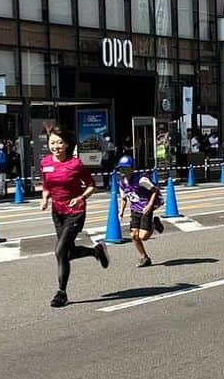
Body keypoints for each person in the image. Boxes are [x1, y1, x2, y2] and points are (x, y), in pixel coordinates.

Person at [39, 126, 106, 308]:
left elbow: (91, 185)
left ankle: (62, 293)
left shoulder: (75, 164)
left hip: (76, 212)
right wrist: (45, 198)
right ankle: (96, 251)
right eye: (52, 142)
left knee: (60, 251)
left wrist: (80, 197)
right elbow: (46, 184)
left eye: (60, 143)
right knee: (67, 253)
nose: (56, 146)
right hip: (58, 213)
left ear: (67, 144)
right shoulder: (45, 162)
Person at [116, 155, 160, 268]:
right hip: (135, 209)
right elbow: (124, 199)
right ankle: (144, 257)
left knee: (143, 237)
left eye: (125, 168)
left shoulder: (141, 180)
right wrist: (121, 212)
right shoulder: (121, 183)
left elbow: (155, 191)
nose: (123, 171)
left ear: (132, 169)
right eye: (121, 169)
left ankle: (154, 224)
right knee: (134, 235)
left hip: (145, 208)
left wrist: (150, 205)